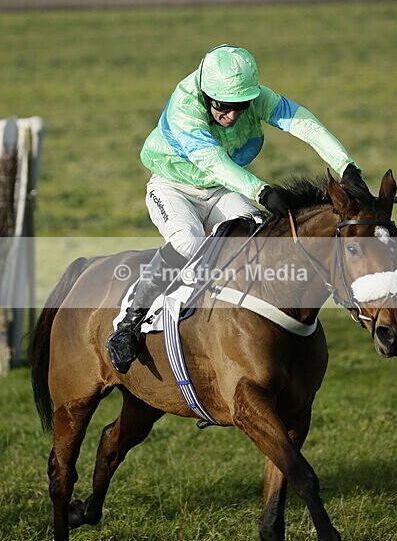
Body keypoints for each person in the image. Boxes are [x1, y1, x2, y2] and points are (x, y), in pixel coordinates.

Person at [107, 44, 362, 373]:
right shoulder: (185, 110)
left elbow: (304, 124)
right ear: (205, 92)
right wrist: (263, 191)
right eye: (224, 108)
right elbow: (214, 163)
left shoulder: (255, 98)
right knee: (188, 240)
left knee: (258, 232)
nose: (232, 116)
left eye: (241, 107)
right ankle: (129, 322)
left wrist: (347, 167)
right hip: (172, 188)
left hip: (219, 189)